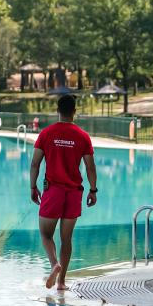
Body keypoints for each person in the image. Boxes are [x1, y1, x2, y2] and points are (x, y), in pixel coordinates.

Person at [29, 95, 97, 290]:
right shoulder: (83, 136)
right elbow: (90, 167)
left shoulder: (46, 133)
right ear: (74, 111)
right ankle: (62, 282)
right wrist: (93, 190)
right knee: (66, 238)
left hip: (53, 191)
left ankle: (54, 264)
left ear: (57, 110)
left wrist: (33, 186)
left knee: (46, 234)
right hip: (74, 193)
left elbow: (35, 163)